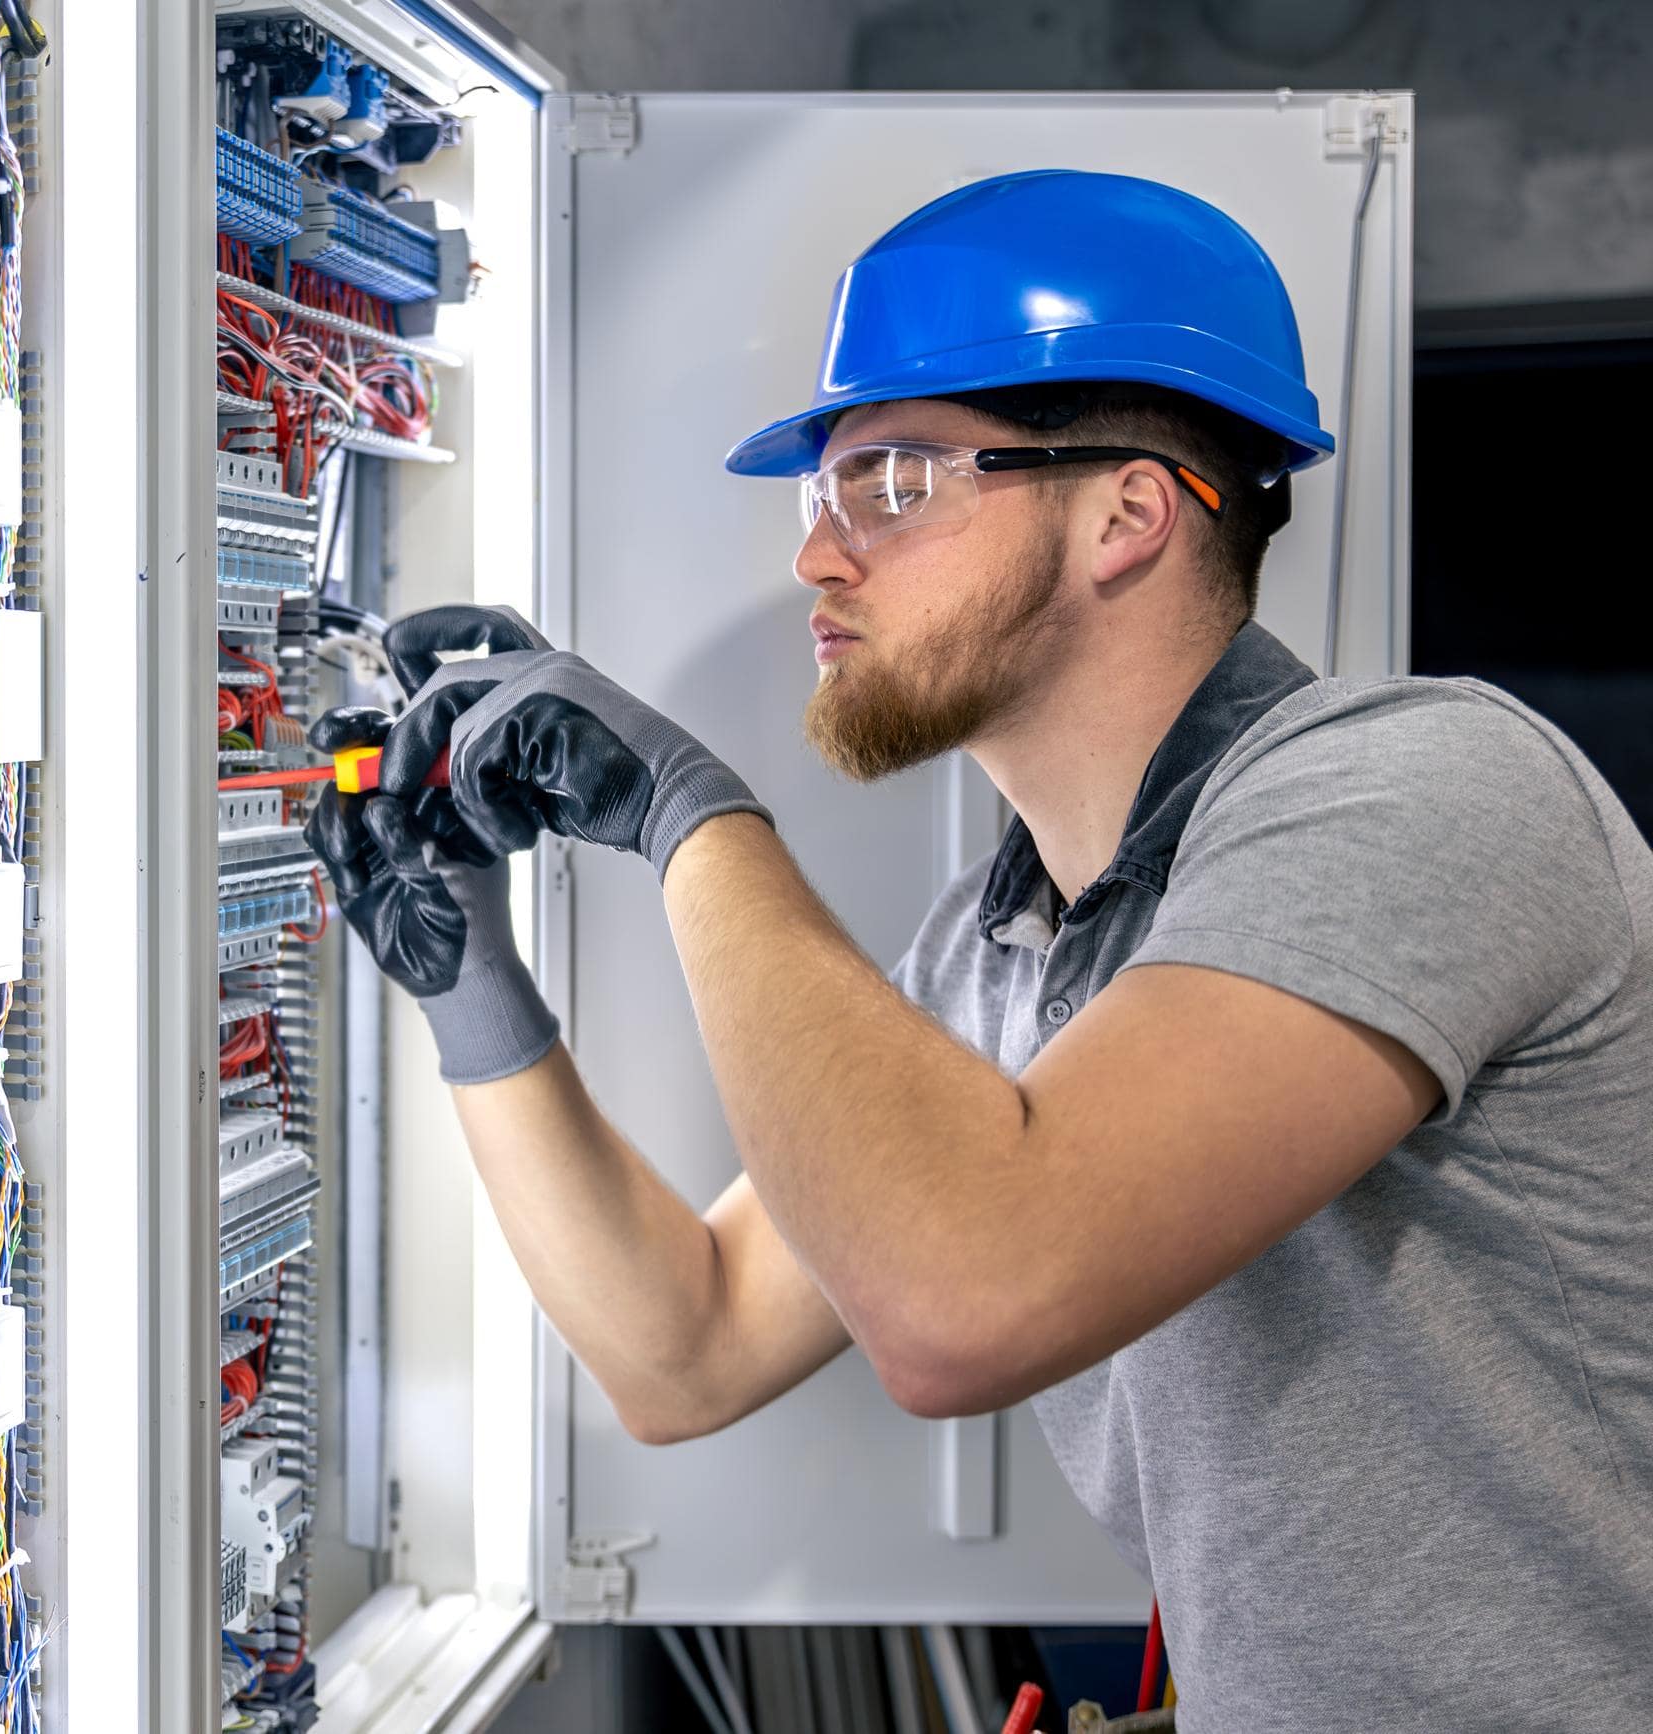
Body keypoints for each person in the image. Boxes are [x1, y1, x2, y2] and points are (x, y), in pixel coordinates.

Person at [306, 171, 1653, 1728]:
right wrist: (472, 982)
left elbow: (968, 1296)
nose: (818, 555)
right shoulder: (1011, 946)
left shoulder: (1425, 790)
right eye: (819, 491)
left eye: (891, 481)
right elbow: (686, 1345)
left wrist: (688, 815)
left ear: (1129, 512)